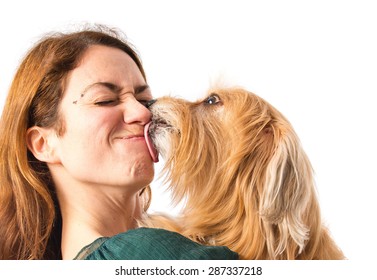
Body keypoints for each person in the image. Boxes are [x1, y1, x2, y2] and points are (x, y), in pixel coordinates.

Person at [0, 25, 238, 260]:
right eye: (105, 100)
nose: (144, 113)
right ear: (43, 144)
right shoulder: (142, 254)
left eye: (145, 99)